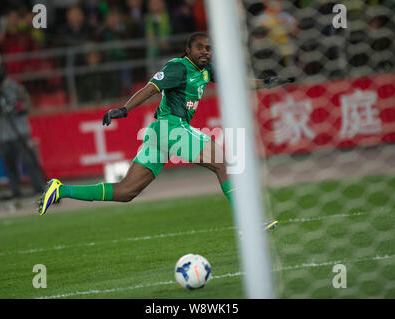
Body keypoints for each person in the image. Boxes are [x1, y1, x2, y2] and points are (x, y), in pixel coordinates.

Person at [38, 32, 278, 232]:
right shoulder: (178, 67)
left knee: (126, 191)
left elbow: (235, 81)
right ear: (188, 50)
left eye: (208, 48)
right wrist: (124, 109)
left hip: (160, 134)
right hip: (171, 127)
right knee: (222, 163)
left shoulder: (207, 70)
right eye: (200, 48)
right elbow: (151, 88)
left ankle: (60, 189)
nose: (205, 51)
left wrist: (265, 82)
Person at [0, 51, 45, 199]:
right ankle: (16, 191)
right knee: (9, 164)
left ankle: (39, 188)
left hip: (19, 130)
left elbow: (27, 104)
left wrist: (16, 107)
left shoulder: (13, 87)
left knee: (29, 161)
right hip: (1, 132)